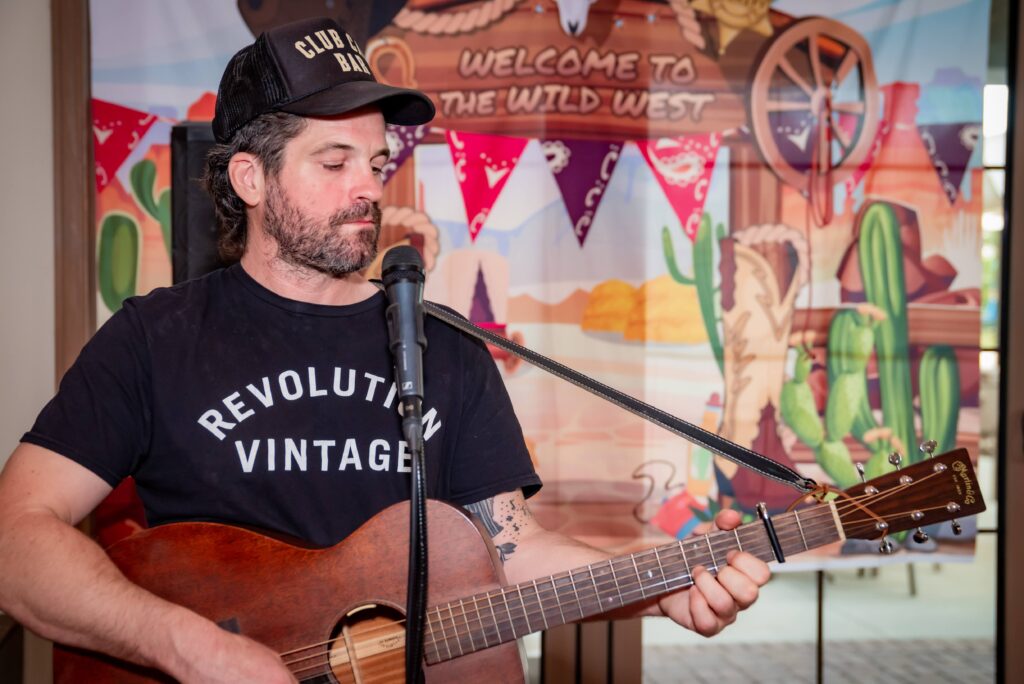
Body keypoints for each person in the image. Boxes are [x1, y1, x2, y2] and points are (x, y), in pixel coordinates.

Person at [0, 17, 769, 683]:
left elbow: (511, 552)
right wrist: (183, 644)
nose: (367, 188)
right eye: (333, 164)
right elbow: (16, 537)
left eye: (374, 164)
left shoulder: (450, 350)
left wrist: (665, 585)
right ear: (250, 178)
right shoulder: (153, 340)